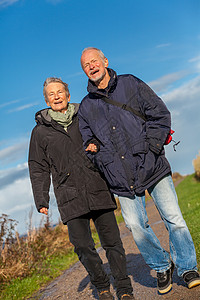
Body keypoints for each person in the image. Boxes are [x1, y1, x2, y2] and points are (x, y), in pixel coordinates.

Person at [78, 47, 200, 295]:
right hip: (120, 177)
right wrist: (98, 157)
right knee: (135, 226)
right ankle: (162, 266)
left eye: (94, 61)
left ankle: (188, 267)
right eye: (86, 65)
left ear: (105, 61)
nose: (91, 66)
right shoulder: (86, 107)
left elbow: (160, 114)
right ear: (84, 71)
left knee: (174, 219)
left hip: (152, 164)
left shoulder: (131, 83)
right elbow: (88, 142)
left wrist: (152, 147)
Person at [28, 77, 135, 300]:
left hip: (97, 185)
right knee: (82, 246)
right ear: (46, 100)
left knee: (112, 242)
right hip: (69, 196)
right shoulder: (39, 133)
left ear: (68, 95)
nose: (56, 96)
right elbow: (38, 167)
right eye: (51, 94)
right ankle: (102, 286)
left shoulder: (85, 115)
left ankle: (124, 289)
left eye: (60, 92)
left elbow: (106, 139)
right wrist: (41, 199)